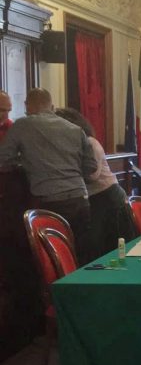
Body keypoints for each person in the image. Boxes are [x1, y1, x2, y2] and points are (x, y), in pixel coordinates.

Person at [0, 88, 97, 264]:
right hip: (80, 199)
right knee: (82, 255)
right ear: (51, 106)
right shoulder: (75, 129)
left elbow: (3, 160)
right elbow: (91, 167)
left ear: (27, 105)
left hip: (49, 202)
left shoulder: (22, 125)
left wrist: (26, 163)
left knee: (54, 260)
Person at [55, 108, 135, 260]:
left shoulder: (90, 142)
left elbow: (93, 175)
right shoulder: (72, 145)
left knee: (109, 247)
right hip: (93, 198)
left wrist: (67, 173)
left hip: (107, 197)